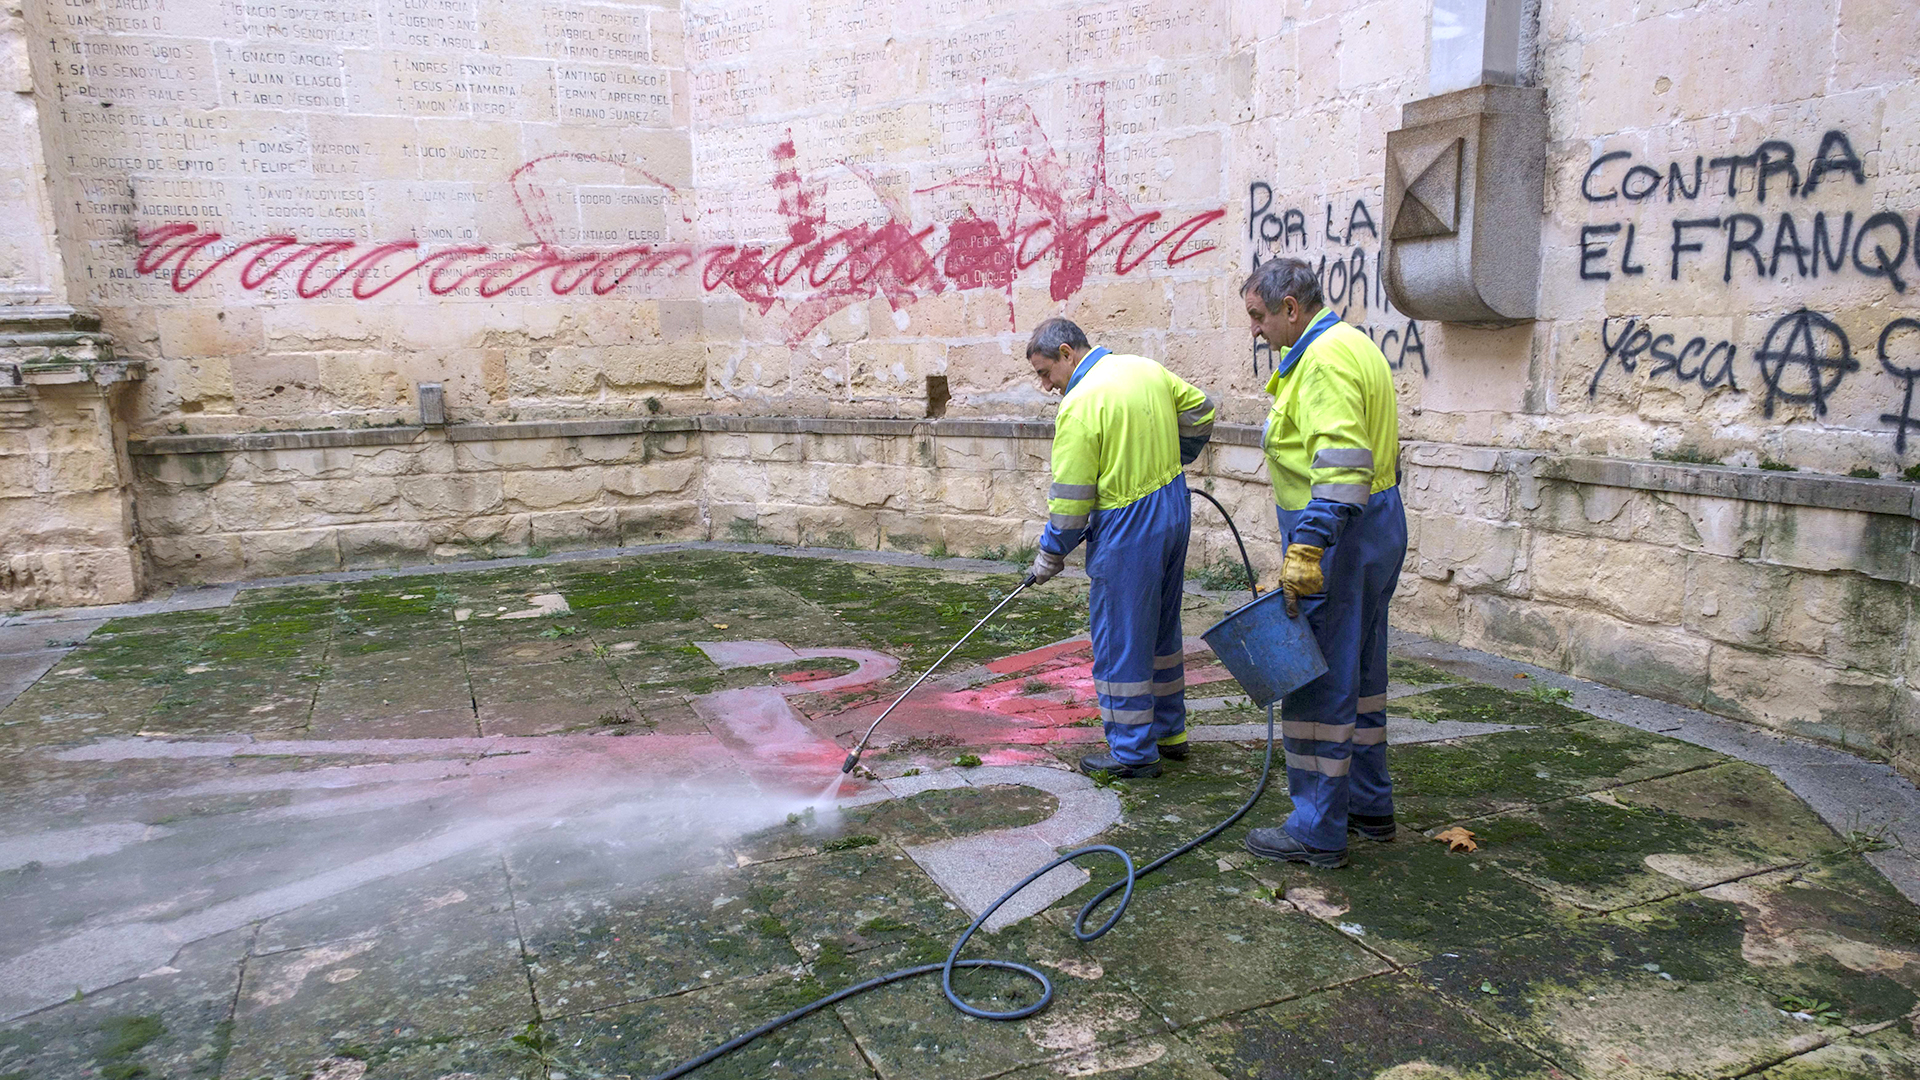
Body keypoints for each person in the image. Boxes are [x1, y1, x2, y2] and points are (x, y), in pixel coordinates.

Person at [1238, 258, 1408, 869]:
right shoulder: (1352, 344)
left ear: (1290, 308)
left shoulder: (1324, 360)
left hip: (1337, 535)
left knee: (1315, 681)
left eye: (1259, 316)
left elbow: (1338, 466)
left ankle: (1315, 829)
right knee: (1362, 673)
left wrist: (1307, 547)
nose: (1255, 330)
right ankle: (1368, 805)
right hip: (1374, 525)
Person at [1024, 317, 1216, 779]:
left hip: (1129, 526)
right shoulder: (1144, 368)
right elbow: (1202, 411)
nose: (1047, 386)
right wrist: (1174, 458)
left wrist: (1050, 555)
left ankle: (1132, 752)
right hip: (1173, 507)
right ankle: (1170, 734)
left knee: (1121, 639)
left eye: (1045, 373)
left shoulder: (1080, 405)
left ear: (1068, 353)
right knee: (1161, 631)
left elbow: (1071, 503)